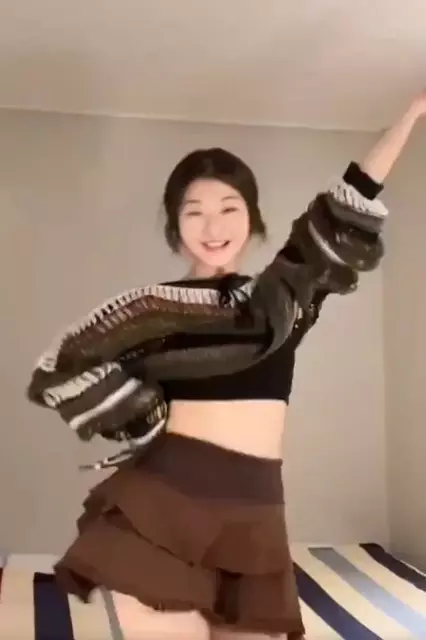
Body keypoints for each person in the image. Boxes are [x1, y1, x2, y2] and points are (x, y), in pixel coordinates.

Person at [27, 92, 426, 640]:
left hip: (256, 511)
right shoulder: (151, 309)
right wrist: (141, 416)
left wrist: (413, 113)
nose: (212, 225)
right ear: (175, 225)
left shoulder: (281, 299)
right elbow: (62, 367)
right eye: (194, 212)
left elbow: (348, 200)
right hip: (167, 503)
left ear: (251, 218)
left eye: (228, 208)